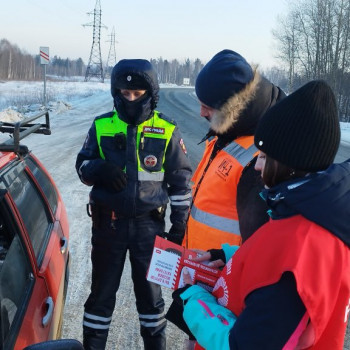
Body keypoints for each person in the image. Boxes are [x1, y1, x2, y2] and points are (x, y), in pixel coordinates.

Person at [172, 80, 350, 349]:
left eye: (264, 157)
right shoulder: (304, 214)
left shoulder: (300, 251)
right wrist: (233, 258)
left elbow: (244, 344)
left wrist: (194, 300)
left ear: (289, 165)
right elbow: (273, 258)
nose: (256, 166)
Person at [75, 58, 192, 350]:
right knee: (100, 298)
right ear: (116, 92)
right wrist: (97, 168)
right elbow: (81, 166)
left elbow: (180, 183)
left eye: (137, 94)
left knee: (151, 303)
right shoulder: (101, 125)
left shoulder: (166, 129)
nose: (130, 99)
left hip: (148, 229)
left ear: (150, 93)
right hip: (107, 226)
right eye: (124, 93)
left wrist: (178, 227)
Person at [184, 49, 286, 250]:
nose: (201, 112)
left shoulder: (262, 159)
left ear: (233, 107)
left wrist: (226, 265)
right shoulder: (229, 131)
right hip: (201, 267)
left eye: (208, 106)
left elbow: (260, 245)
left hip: (224, 275)